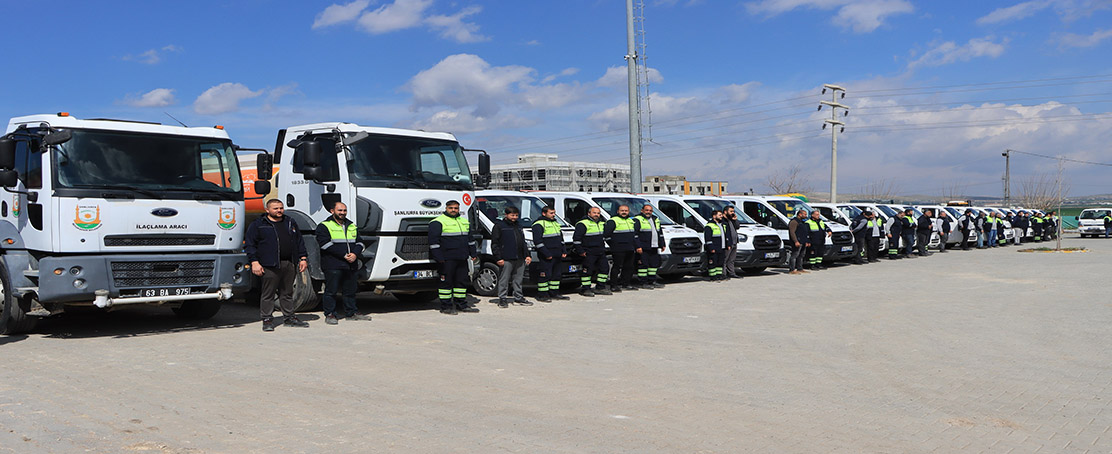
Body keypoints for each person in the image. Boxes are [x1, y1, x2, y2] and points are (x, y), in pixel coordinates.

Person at [245, 199, 310, 332]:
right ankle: (267, 319)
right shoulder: (258, 224)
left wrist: (303, 258)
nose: (279, 211)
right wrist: (254, 262)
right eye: (275, 208)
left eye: (281, 208)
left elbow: (299, 241)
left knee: (287, 293)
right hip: (269, 264)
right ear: (267, 210)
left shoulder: (290, 222)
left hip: (289, 263)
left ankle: (289, 317)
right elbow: (250, 244)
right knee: (268, 293)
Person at [315, 201, 370, 325]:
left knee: (350, 291)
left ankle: (351, 312)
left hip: (351, 264)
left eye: (344, 210)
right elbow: (325, 244)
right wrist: (344, 255)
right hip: (333, 264)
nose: (342, 213)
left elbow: (360, 242)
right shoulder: (324, 226)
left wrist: (355, 254)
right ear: (332, 211)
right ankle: (330, 314)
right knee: (331, 291)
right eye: (340, 210)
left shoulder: (352, 225)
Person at [428, 200, 478, 315]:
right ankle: (446, 307)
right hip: (446, 259)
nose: (453, 210)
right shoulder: (437, 222)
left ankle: (461, 304)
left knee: (461, 283)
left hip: (462, 258)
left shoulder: (464, 221)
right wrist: (439, 257)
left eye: (456, 208)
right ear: (446, 208)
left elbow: (470, 240)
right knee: (446, 284)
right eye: (451, 208)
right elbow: (433, 243)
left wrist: (473, 253)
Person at [490, 206, 532, 308]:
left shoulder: (518, 226)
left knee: (518, 279)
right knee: (504, 279)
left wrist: (527, 255)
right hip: (506, 257)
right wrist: (498, 258)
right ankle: (503, 298)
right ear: (506, 215)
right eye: (512, 215)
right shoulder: (499, 226)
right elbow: (495, 243)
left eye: (516, 215)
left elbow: (523, 242)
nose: (514, 217)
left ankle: (518, 297)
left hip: (520, 257)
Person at [532, 206, 569, 302]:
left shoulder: (555, 223)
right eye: (551, 213)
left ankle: (554, 293)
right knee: (545, 275)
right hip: (547, 254)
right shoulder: (538, 224)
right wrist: (546, 253)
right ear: (544, 213)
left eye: (554, 213)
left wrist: (564, 250)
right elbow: (538, 241)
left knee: (556, 275)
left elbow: (561, 239)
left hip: (557, 254)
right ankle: (542, 294)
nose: (553, 215)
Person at [573, 206, 611, 297]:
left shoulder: (602, 223)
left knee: (604, 269)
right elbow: (576, 239)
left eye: (598, 213)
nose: (596, 215)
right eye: (594, 213)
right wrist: (580, 251)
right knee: (587, 271)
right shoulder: (582, 224)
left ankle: (600, 287)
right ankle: (585, 289)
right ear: (589, 213)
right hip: (588, 251)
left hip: (600, 250)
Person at [605, 205, 640, 292]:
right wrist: (613, 245)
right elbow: (606, 235)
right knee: (617, 267)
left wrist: (636, 246)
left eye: (626, 211)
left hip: (630, 248)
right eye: (622, 210)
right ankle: (613, 285)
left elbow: (634, 235)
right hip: (618, 249)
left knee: (629, 267)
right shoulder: (612, 221)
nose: (624, 212)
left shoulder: (630, 221)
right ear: (618, 211)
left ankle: (626, 284)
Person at [634, 204, 667, 289]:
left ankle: (652, 281)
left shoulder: (655, 219)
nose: (648, 212)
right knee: (643, 266)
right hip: (644, 246)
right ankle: (643, 282)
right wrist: (638, 246)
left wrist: (662, 244)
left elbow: (660, 233)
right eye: (647, 210)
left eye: (650, 210)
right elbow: (635, 235)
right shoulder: (638, 219)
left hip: (654, 246)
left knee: (653, 265)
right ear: (642, 211)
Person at [703, 210, 727, 280]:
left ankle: (719, 275)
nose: (721, 216)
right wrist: (711, 247)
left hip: (721, 247)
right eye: (719, 215)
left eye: (721, 215)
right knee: (713, 262)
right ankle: (712, 276)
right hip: (714, 247)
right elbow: (708, 238)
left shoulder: (722, 225)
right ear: (714, 216)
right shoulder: (709, 226)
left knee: (720, 262)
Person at [722, 206, 741, 279]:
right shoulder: (723, 221)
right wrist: (727, 242)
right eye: (731, 211)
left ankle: (732, 273)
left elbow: (737, 226)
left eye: (733, 211)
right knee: (725, 259)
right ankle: (724, 274)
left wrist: (735, 220)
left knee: (732, 259)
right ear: (725, 212)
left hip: (734, 242)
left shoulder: (731, 220)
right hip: (728, 242)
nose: (732, 213)